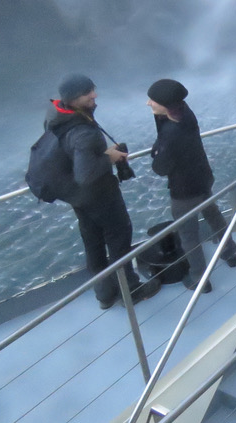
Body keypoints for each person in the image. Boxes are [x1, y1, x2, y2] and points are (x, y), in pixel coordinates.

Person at [47, 74, 160, 309]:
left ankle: (105, 294)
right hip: (100, 197)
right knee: (119, 241)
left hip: (79, 199)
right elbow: (86, 174)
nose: (94, 95)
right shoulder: (83, 133)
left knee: (93, 243)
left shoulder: (58, 118)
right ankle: (132, 290)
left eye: (93, 90)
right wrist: (110, 157)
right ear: (72, 99)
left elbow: (76, 159)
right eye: (87, 93)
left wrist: (97, 155)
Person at [146, 78, 236, 293]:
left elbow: (161, 168)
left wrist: (158, 153)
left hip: (184, 190)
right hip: (203, 177)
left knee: (188, 234)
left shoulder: (171, 133)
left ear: (166, 105)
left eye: (153, 100)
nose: (148, 103)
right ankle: (230, 253)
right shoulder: (184, 113)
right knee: (213, 214)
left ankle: (199, 279)